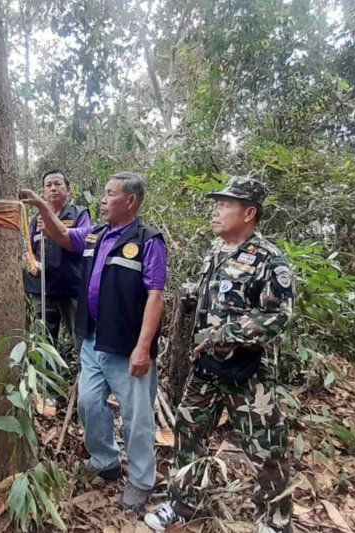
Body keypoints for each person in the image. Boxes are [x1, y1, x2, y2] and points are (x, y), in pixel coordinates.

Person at [143, 176, 294, 533]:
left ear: (249, 213)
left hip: (249, 372)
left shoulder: (269, 260)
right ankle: (183, 504)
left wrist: (226, 333)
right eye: (218, 202)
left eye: (226, 204)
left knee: (265, 447)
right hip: (207, 367)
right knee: (188, 430)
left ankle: (275, 520)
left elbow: (279, 316)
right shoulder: (214, 252)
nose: (217, 210)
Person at [20, 171, 167, 512]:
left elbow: (156, 297)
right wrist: (42, 205)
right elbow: (62, 234)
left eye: (109, 193)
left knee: (137, 416)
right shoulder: (95, 235)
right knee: (87, 403)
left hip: (127, 346)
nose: (102, 199)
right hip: (92, 341)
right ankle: (105, 460)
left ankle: (142, 480)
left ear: (130, 201)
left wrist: (143, 348)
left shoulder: (148, 240)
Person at [24, 170, 91, 356]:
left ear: (67, 190)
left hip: (71, 287)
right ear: (43, 192)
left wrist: (53, 232)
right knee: (44, 342)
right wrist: (32, 265)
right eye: (48, 185)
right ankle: (48, 382)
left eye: (58, 184)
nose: (53, 189)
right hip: (43, 289)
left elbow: (85, 244)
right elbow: (28, 249)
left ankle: (82, 379)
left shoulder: (79, 214)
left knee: (80, 339)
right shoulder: (34, 221)